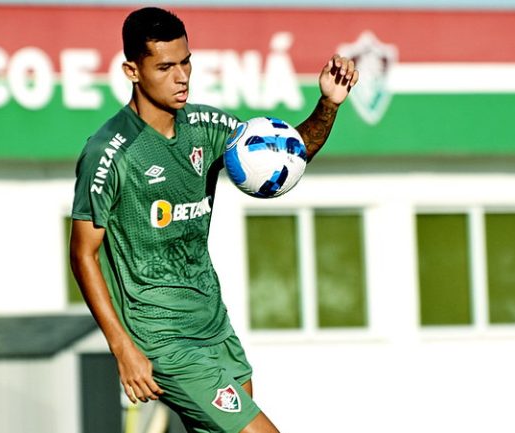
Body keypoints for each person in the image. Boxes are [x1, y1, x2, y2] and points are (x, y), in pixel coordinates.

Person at [70, 7, 357, 433]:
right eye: (165, 67)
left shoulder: (205, 125)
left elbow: (282, 158)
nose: (181, 76)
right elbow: (83, 255)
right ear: (132, 70)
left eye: (186, 62)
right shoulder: (110, 151)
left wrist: (328, 104)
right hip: (162, 337)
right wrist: (122, 348)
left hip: (212, 324)